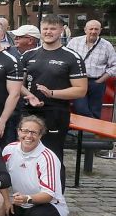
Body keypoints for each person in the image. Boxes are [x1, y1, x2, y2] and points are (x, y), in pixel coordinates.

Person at [0, 115, 68, 216]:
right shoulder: (9, 150)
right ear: (18, 131)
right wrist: (6, 201)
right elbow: (2, 177)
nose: (29, 136)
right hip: (20, 204)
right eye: (25, 131)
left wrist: (27, 198)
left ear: (41, 135)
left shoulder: (48, 157)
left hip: (49, 205)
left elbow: (48, 194)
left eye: (34, 132)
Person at [20, 14, 87, 163]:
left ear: (61, 30)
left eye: (53, 29)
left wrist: (51, 93)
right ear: (40, 30)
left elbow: (81, 90)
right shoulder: (28, 55)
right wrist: (30, 96)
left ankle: (54, 186)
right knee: (26, 155)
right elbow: (17, 84)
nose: (48, 32)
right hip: (29, 112)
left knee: (52, 157)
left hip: (56, 113)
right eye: (45, 28)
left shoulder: (72, 57)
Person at [67, 19, 116, 119]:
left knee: (95, 109)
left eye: (96, 29)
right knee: (81, 108)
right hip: (78, 81)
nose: (93, 31)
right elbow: (66, 59)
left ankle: (93, 133)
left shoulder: (107, 45)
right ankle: (96, 128)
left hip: (97, 82)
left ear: (100, 30)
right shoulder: (74, 42)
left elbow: (114, 65)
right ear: (85, 29)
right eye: (91, 29)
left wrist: (100, 80)